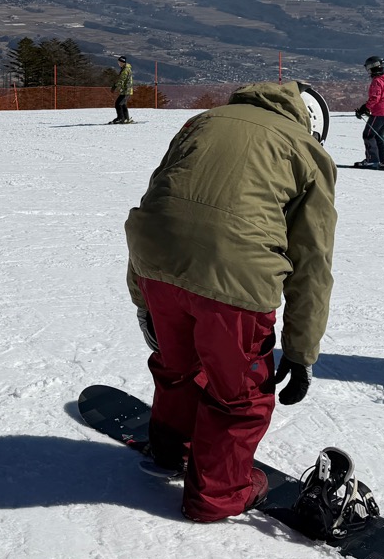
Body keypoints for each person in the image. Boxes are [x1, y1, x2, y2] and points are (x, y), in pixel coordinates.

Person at [124, 81, 337, 522]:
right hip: (236, 276)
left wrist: (144, 298)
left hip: (156, 262)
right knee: (239, 395)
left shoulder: (201, 122)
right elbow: (311, 262)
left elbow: (158, 203)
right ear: (312, 124)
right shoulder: (308, 152)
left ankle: (171, 448)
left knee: (178, 365)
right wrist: (300, 352)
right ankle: (217, 496)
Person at [353, 56, 384, 169]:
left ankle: (372, 160)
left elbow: (375, 98)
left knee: (368, 135)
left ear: (373, 67)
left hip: (379, 112)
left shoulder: (377, 81)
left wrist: (364, 108)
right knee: (378, 135)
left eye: (368, 68)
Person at [111, 56, 134, 124]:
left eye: (119, 62)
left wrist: (115, 86)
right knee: (122, 104)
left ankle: (121, 118)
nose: (118, 63)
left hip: (126, 90)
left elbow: (122, 79)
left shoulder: (125, 70)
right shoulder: (125, 68)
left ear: (122, 62)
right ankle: (126, 118)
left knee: (118, 104)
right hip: (126, 90)